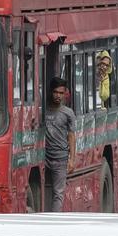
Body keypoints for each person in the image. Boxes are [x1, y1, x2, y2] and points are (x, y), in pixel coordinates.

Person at [44, 77, 76, 212]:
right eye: (55, 92)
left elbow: (71, 136)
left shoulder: (68, 113)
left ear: (65, 94)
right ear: (51, 92)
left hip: (60, 159)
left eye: (61, 93)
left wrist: (72, 160)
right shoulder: (42, 111)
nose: (58, 96)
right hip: (43, 158)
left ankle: (54, 220)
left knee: (58, 193)